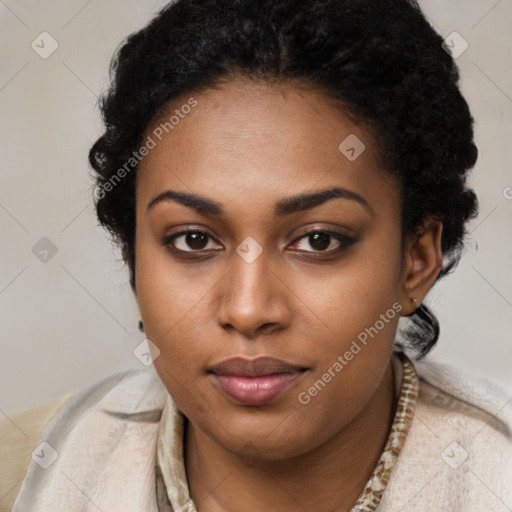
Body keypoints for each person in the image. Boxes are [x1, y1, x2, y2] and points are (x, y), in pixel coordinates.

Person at [2, 0, 511, 510]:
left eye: (318, 240)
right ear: (132, 257)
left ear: (416, 261)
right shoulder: (25, 473)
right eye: (193, 240)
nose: (248, 310)